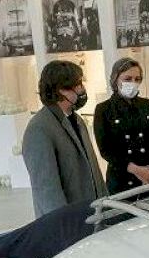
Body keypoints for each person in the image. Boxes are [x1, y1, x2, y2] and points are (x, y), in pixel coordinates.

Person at [22, 60, 105, 216]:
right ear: (61, 90)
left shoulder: (77, 120)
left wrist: (105, 206)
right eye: (78, 84)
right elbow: (46, 189)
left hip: (92, 215)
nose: (82, 89)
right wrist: (64, 223)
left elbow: (94, 171)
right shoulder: (39, 129)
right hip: (69, 222)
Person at [93, 57, 149, 194]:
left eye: (137, 79)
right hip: (122, 182)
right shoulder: (104, 109)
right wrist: (136, 170)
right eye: (127, 79)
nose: (133, 83)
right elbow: (106, 149)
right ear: (115, 79)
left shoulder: (147, 105)